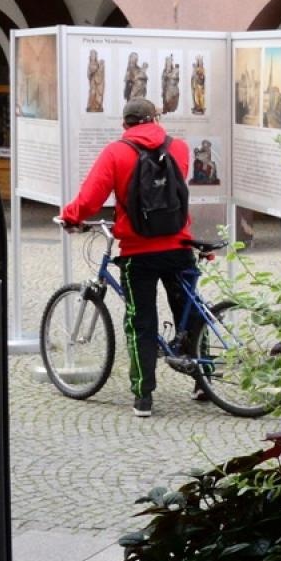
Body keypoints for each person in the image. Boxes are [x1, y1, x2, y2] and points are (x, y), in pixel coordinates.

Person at [60, 97, 199, 417]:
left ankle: (144, 397)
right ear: (155, 119)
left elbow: (90, 199)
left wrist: (70, 217)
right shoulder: (179, 148)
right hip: (179, 246)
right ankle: (202, 383)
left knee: (141, 322)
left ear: (125, 124)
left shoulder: (116, 152)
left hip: (139, 252)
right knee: (188, 312)